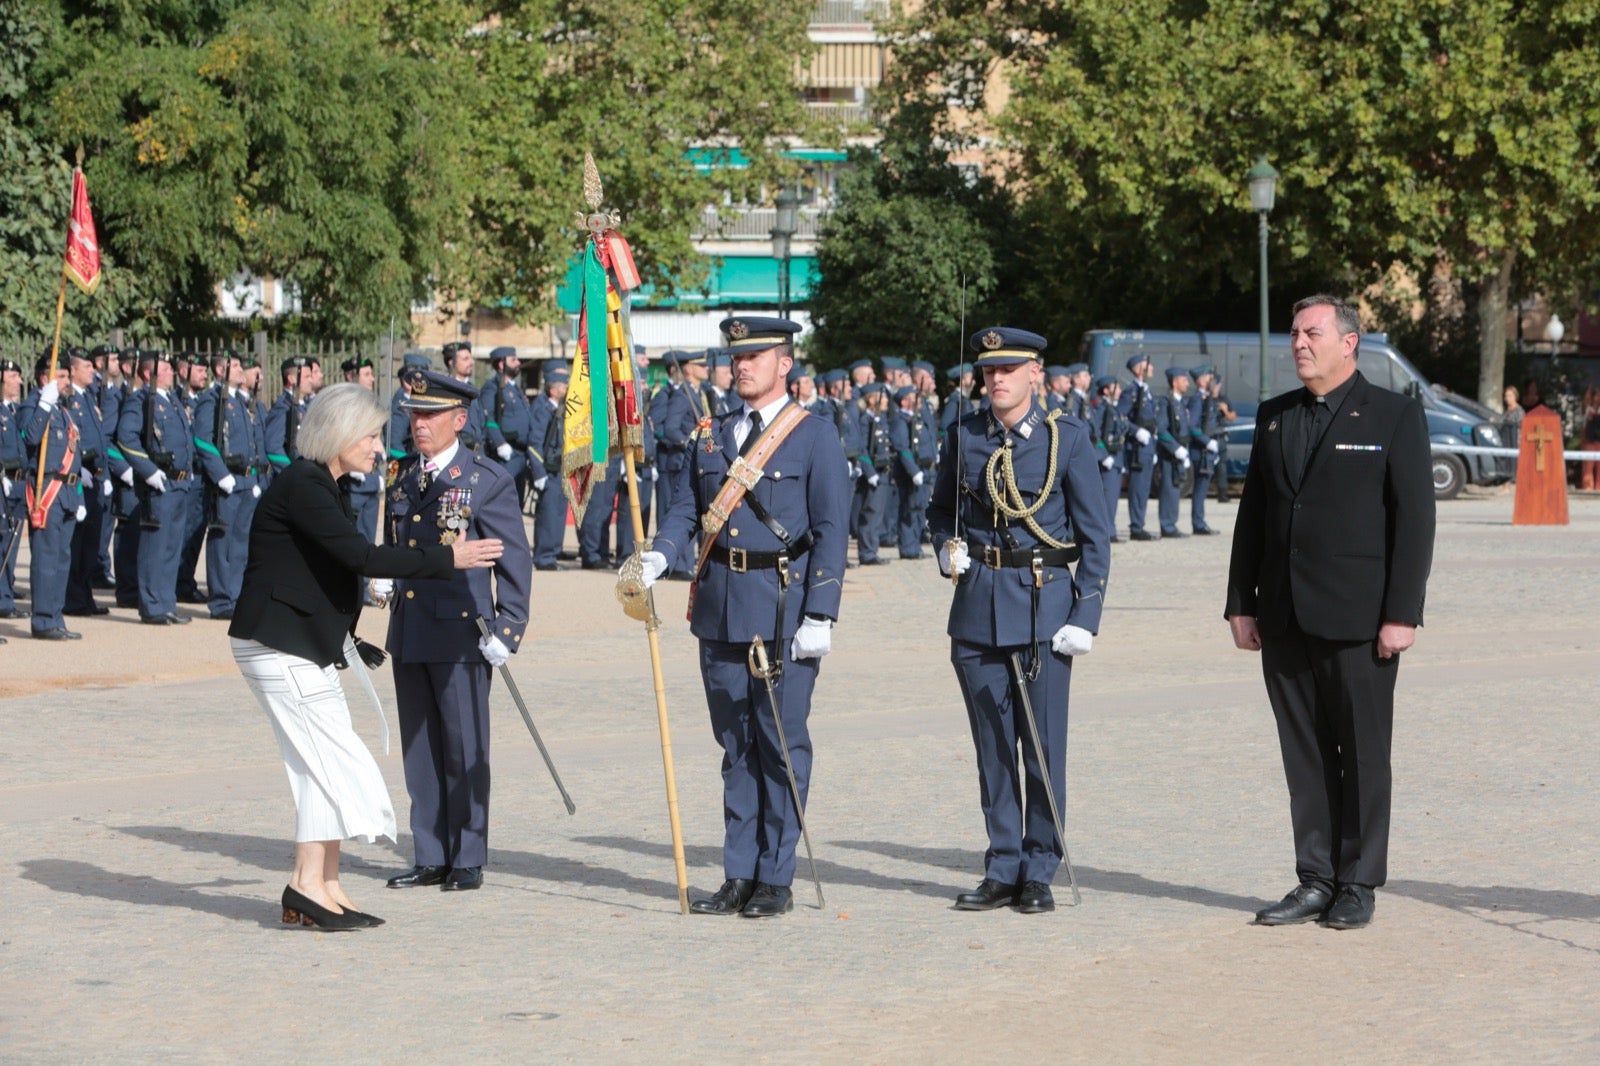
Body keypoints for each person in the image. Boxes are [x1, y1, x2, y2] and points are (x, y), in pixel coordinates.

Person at [229, 383, 504, 931]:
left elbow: (331, 568)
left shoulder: (324, 485)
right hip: (280, 647)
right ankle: (310, 885)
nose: (381, 448)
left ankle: (319, 884)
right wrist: (448, 557)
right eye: (373, 435)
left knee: (316, 768)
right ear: (340, 434)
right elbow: (359, 554)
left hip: (300, 645)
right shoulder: (306, 484)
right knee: (335, 761)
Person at [1225, 294, 1435, 931]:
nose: (1298, 343)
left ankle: (1359, 881)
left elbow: (1415, 521)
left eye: (1311, 332)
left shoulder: (1395, 416)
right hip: (1284, 616)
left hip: (1360, 620)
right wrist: (1241, 603)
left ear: (1350, 342)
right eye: (1293, 334)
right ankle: (1314, 877)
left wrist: (1403, 613)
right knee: (1305, 754)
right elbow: (1254, 518)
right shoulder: (1274, 416)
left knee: (1364, 754)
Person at [639, 316, 850, 918]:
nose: (742, 366)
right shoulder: (712, 435)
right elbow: (688, 508)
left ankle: (775, 877)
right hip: (720, 605)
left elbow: (833, 530)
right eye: (737, 357)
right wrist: (661, 553)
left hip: (783, 607)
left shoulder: (813, 435)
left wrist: (821, 613)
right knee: (735, 747)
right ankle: (738, 872)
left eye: (756, 356)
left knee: (779, 744)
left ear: (785, 363)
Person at [928, 326, 1113, 915]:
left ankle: (1039, 867)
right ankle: (1002, 863)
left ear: (1036, 372)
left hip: (1043, 609)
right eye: (988, 372)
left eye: (1009, 369)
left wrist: (1087, 614)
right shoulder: (964, 437)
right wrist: (943, 547)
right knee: (992, 750)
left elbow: (1096, 535)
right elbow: (938, 510)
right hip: (978, 607)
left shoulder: (1067, 440)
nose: (997, 380)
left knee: (1041, 747)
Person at [377, 370, 532, 893]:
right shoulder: (402, 477)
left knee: (464, 746)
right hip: (412, 627)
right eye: (414, 414)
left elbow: (514, 559)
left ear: (458, 420)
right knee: (419, 747)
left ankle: (467, 853)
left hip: (463, 630)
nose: (418, 424)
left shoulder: (485, 479)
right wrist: (384, 577)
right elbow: (396, 545)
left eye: (430, 415)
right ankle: (430, 852)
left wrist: (508, 627)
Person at [115, 349, 198, 626]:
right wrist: (148, 471)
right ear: (149, 374)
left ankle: (166, 602)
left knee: (172, 546)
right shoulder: (140, 401)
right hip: (159, 483)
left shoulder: (171, 400)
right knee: (155, 546)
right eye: (165, 370)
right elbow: (126, 438)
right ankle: (151, 605)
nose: (171, 373)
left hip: (179, 483)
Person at [19, 354, 88, 640]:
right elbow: (29, 437)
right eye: (60, 376)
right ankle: (43, 621)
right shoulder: (35, 405)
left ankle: (56, 617)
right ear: (45, 378)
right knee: (46, 559)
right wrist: (43, 404)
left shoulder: (64, 411)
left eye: (67, 376)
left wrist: (81, 497)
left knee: (61, 559)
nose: (67, 381)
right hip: (48, 491)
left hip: (69, 493)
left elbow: (75, 459)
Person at [195, 351, 266, 620]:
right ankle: (222, 600)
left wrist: (254, 479)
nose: (239, 370)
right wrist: (220, 474)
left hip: (246, 481)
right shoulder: (211, 400)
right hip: (227, 481)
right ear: (219, 369)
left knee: (241, 544)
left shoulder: (238, 401)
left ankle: (236, 595)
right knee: (223, 543)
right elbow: (202, 440)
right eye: (234, 366)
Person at [1118, 353, 1159, 539]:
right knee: (1138, 487)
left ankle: (1139, 523)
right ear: (1137, 369)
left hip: (1148, 446)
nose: (1151, 367)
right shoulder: (1131, 392)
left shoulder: (1146, 391)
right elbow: (1120, 418)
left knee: (1144, 488)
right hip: (1137, 447)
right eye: (1146, 364)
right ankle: (1136, 526)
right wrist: (1135, 431)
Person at [1152, 366, 1193, 538]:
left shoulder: (1180, 403)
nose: (1188, 384)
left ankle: (1171, 524)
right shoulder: (1166, 402)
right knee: (1169, 488)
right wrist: (1175, 449)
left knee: (1175, 487)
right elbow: (1161, 430)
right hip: (1170, 453)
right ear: (1175, 382)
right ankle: (1167, 525)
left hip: (1180, 451)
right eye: (1184, 380)